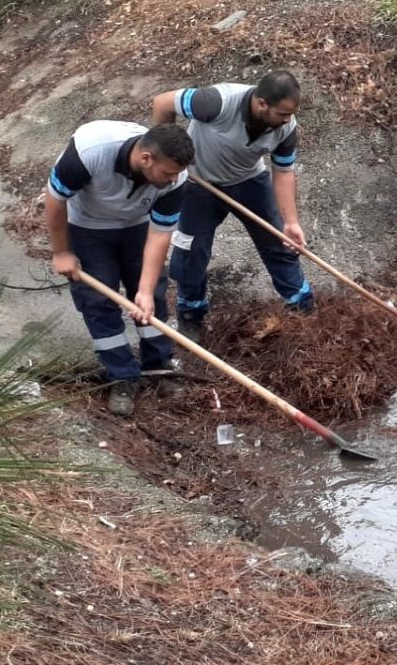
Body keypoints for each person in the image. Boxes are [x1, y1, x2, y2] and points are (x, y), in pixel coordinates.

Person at [45, 120, 195, 416]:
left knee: (153, 297)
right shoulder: (90, 150)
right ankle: (122, 376)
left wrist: (145, 291)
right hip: (86, 226)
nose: (171, 179)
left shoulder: (175, 179)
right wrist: (62, 252)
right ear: (146, 159)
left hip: (136, 227)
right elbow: (55, 199)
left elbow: (160, 234)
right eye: (167, 173)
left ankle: (158, 365)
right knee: (98, 301)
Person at [149, 70, 311, 341]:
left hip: (249, 180)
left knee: (280, 241)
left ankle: (301, 304)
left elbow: (283, 173)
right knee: (190, 252)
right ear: (261, 104)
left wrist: (291, 222)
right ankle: (191, 312)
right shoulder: (216, 102)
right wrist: (169, 158)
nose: (288, 120)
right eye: (282, 114)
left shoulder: (286, 128)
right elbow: (162, 103)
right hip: (200, 182)